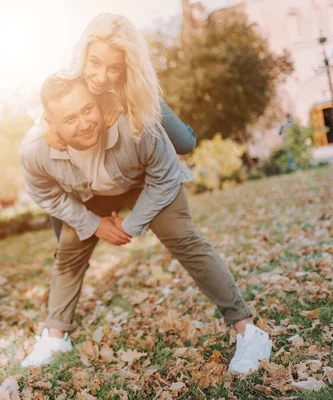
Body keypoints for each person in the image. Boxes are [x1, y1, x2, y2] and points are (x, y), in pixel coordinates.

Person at [18, 74, 272, 374]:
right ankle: (55, 337)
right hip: (88, 197)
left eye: (88, 109)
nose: (84, 123)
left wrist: (130, 225)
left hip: (146, 183)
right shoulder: (34, 150)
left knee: (183, 238)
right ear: (51, 122)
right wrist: (94, 224)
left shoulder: (134, 123)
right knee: (68, 253)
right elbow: (48, 196)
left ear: (97, 102)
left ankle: (248, 331)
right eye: (70, 118)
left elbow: (165, 175)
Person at [45, 13, 197, 242]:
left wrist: (121, 99)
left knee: (185, 143)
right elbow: (54, 103)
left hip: (131, 97)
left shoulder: (128, 82)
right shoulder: (71, 77)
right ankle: (62, 248)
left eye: (113, 68)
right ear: (84, 56)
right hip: (92, 173)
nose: (100, 77)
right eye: (95, 63)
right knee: (58, 179)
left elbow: (127, 92)